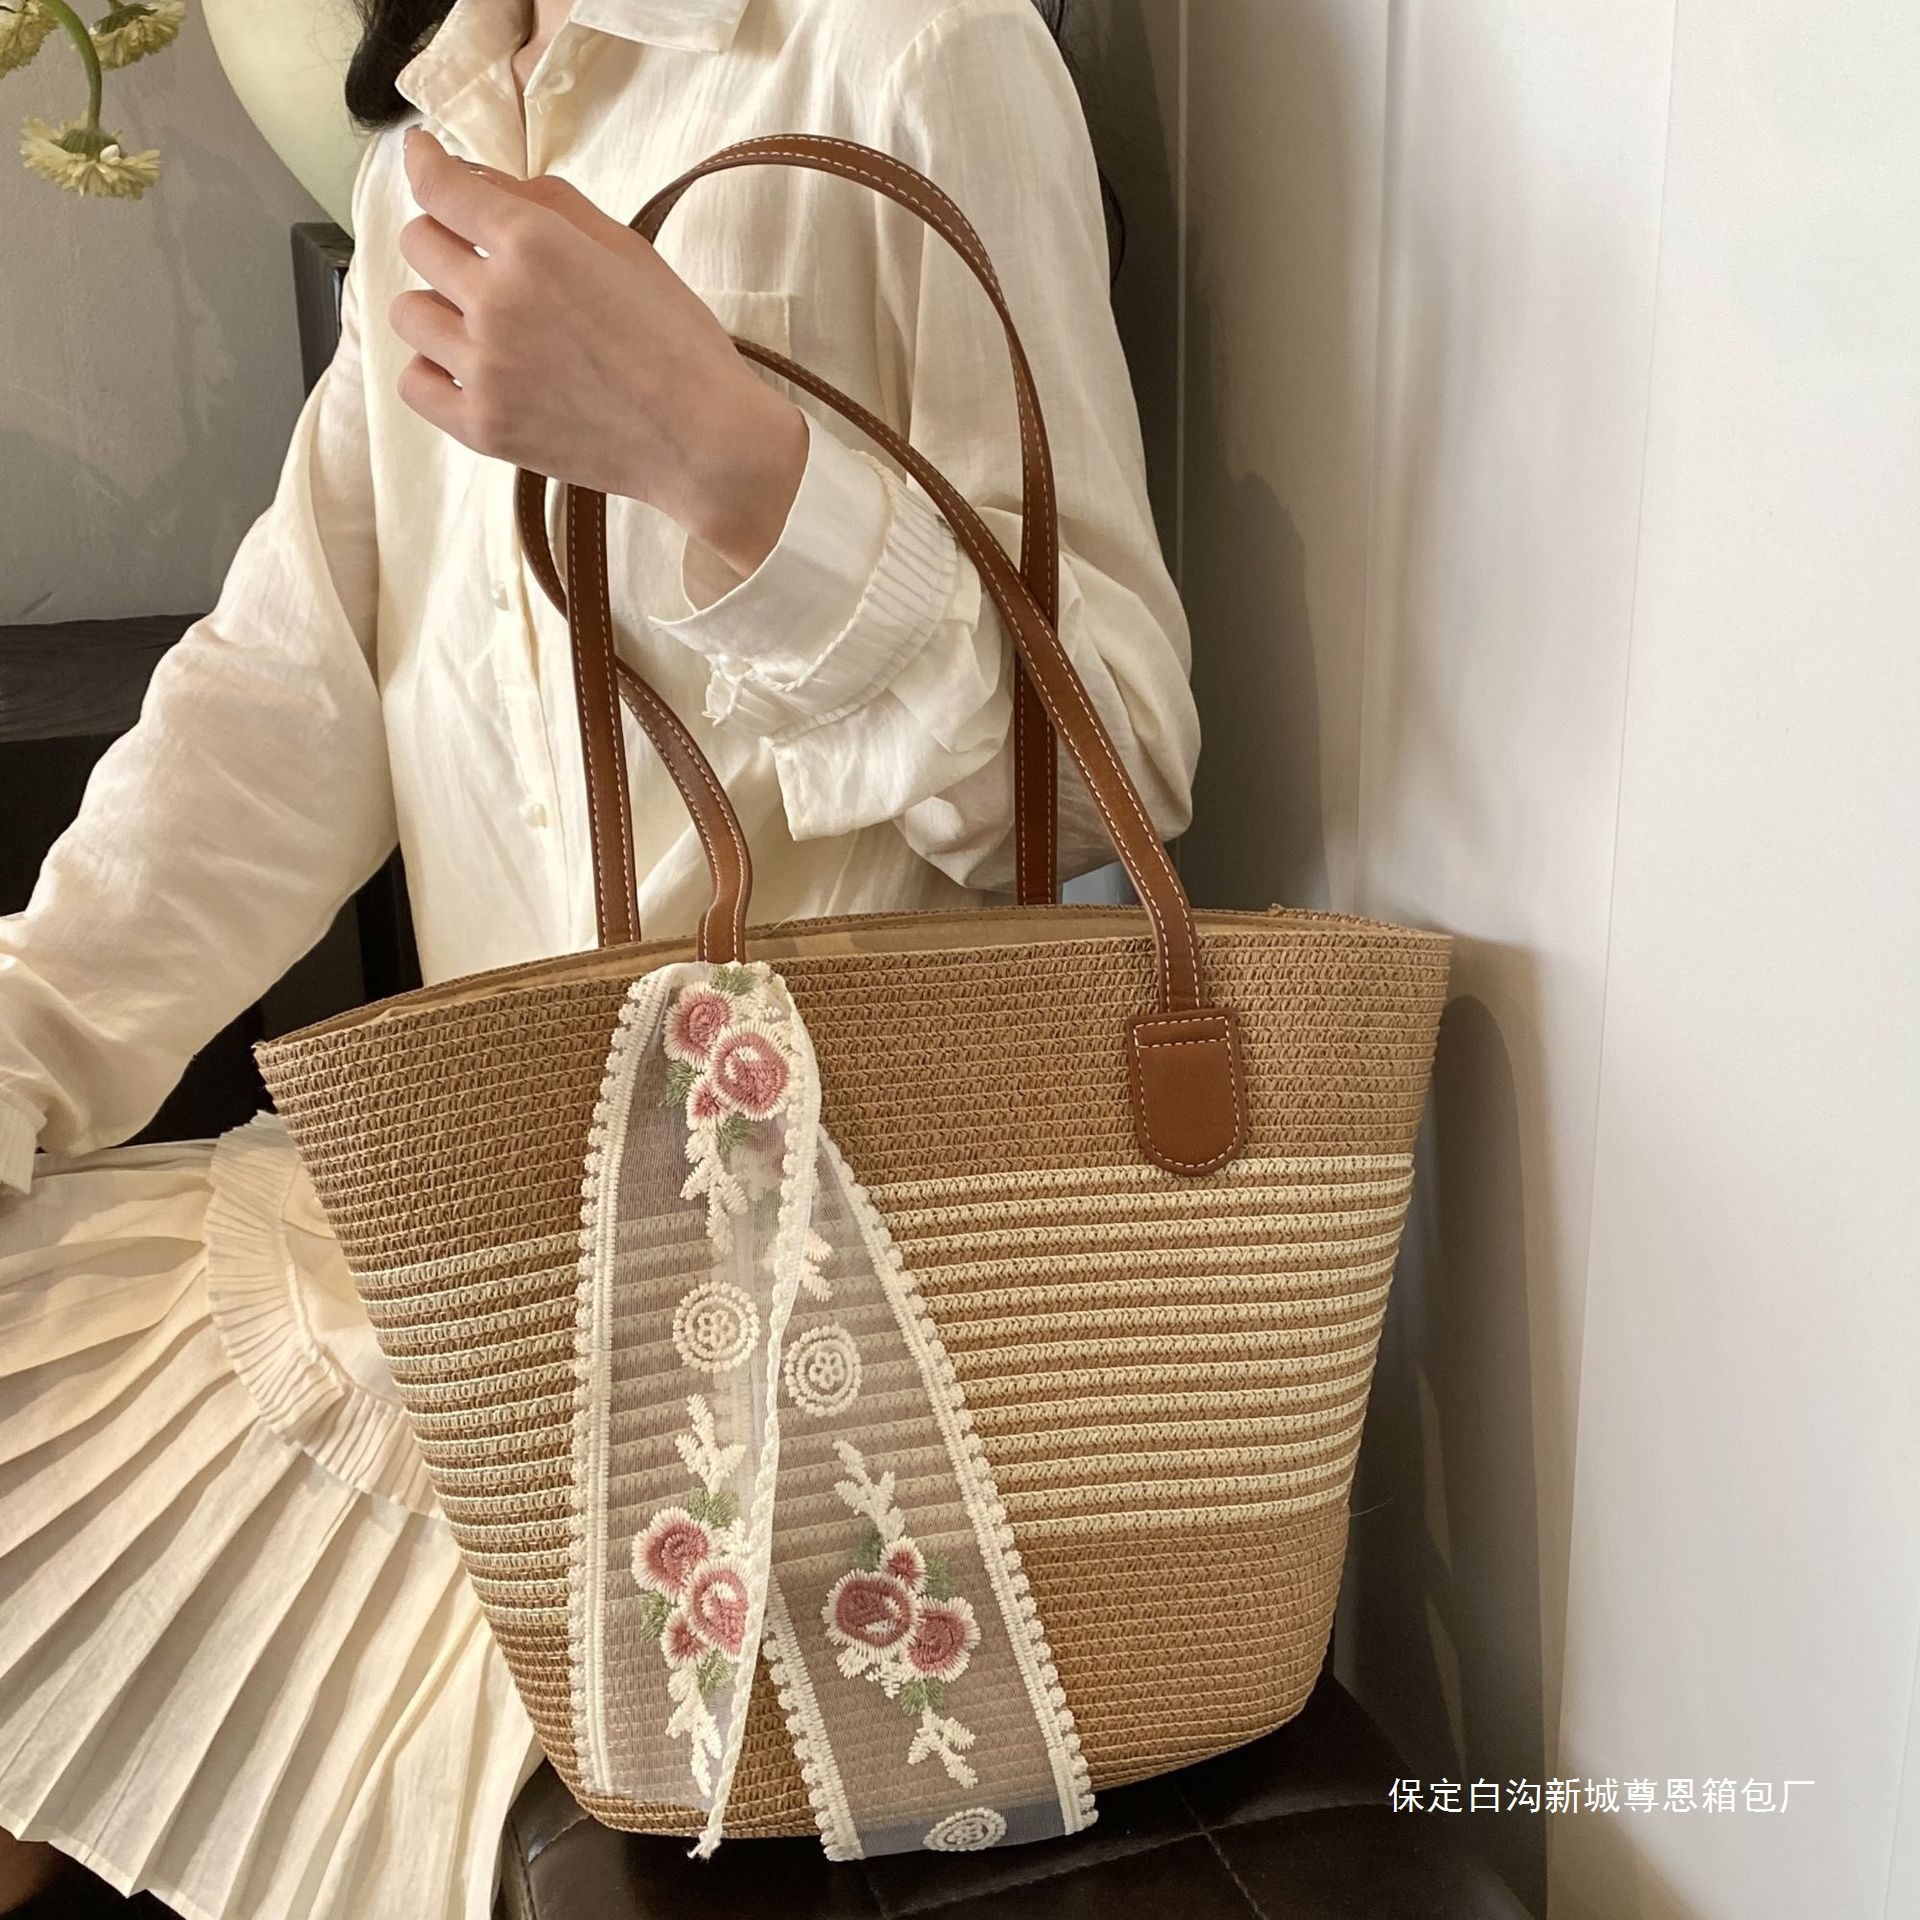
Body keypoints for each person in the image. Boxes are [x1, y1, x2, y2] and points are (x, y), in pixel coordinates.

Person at [0, 0, 1197, 1912]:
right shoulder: (435, 141)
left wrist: (734, 466)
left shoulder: (914, 52)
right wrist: (25, 1040)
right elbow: (286, 704)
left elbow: (1112, 765)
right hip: (470, 1263)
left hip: (828, 1328)